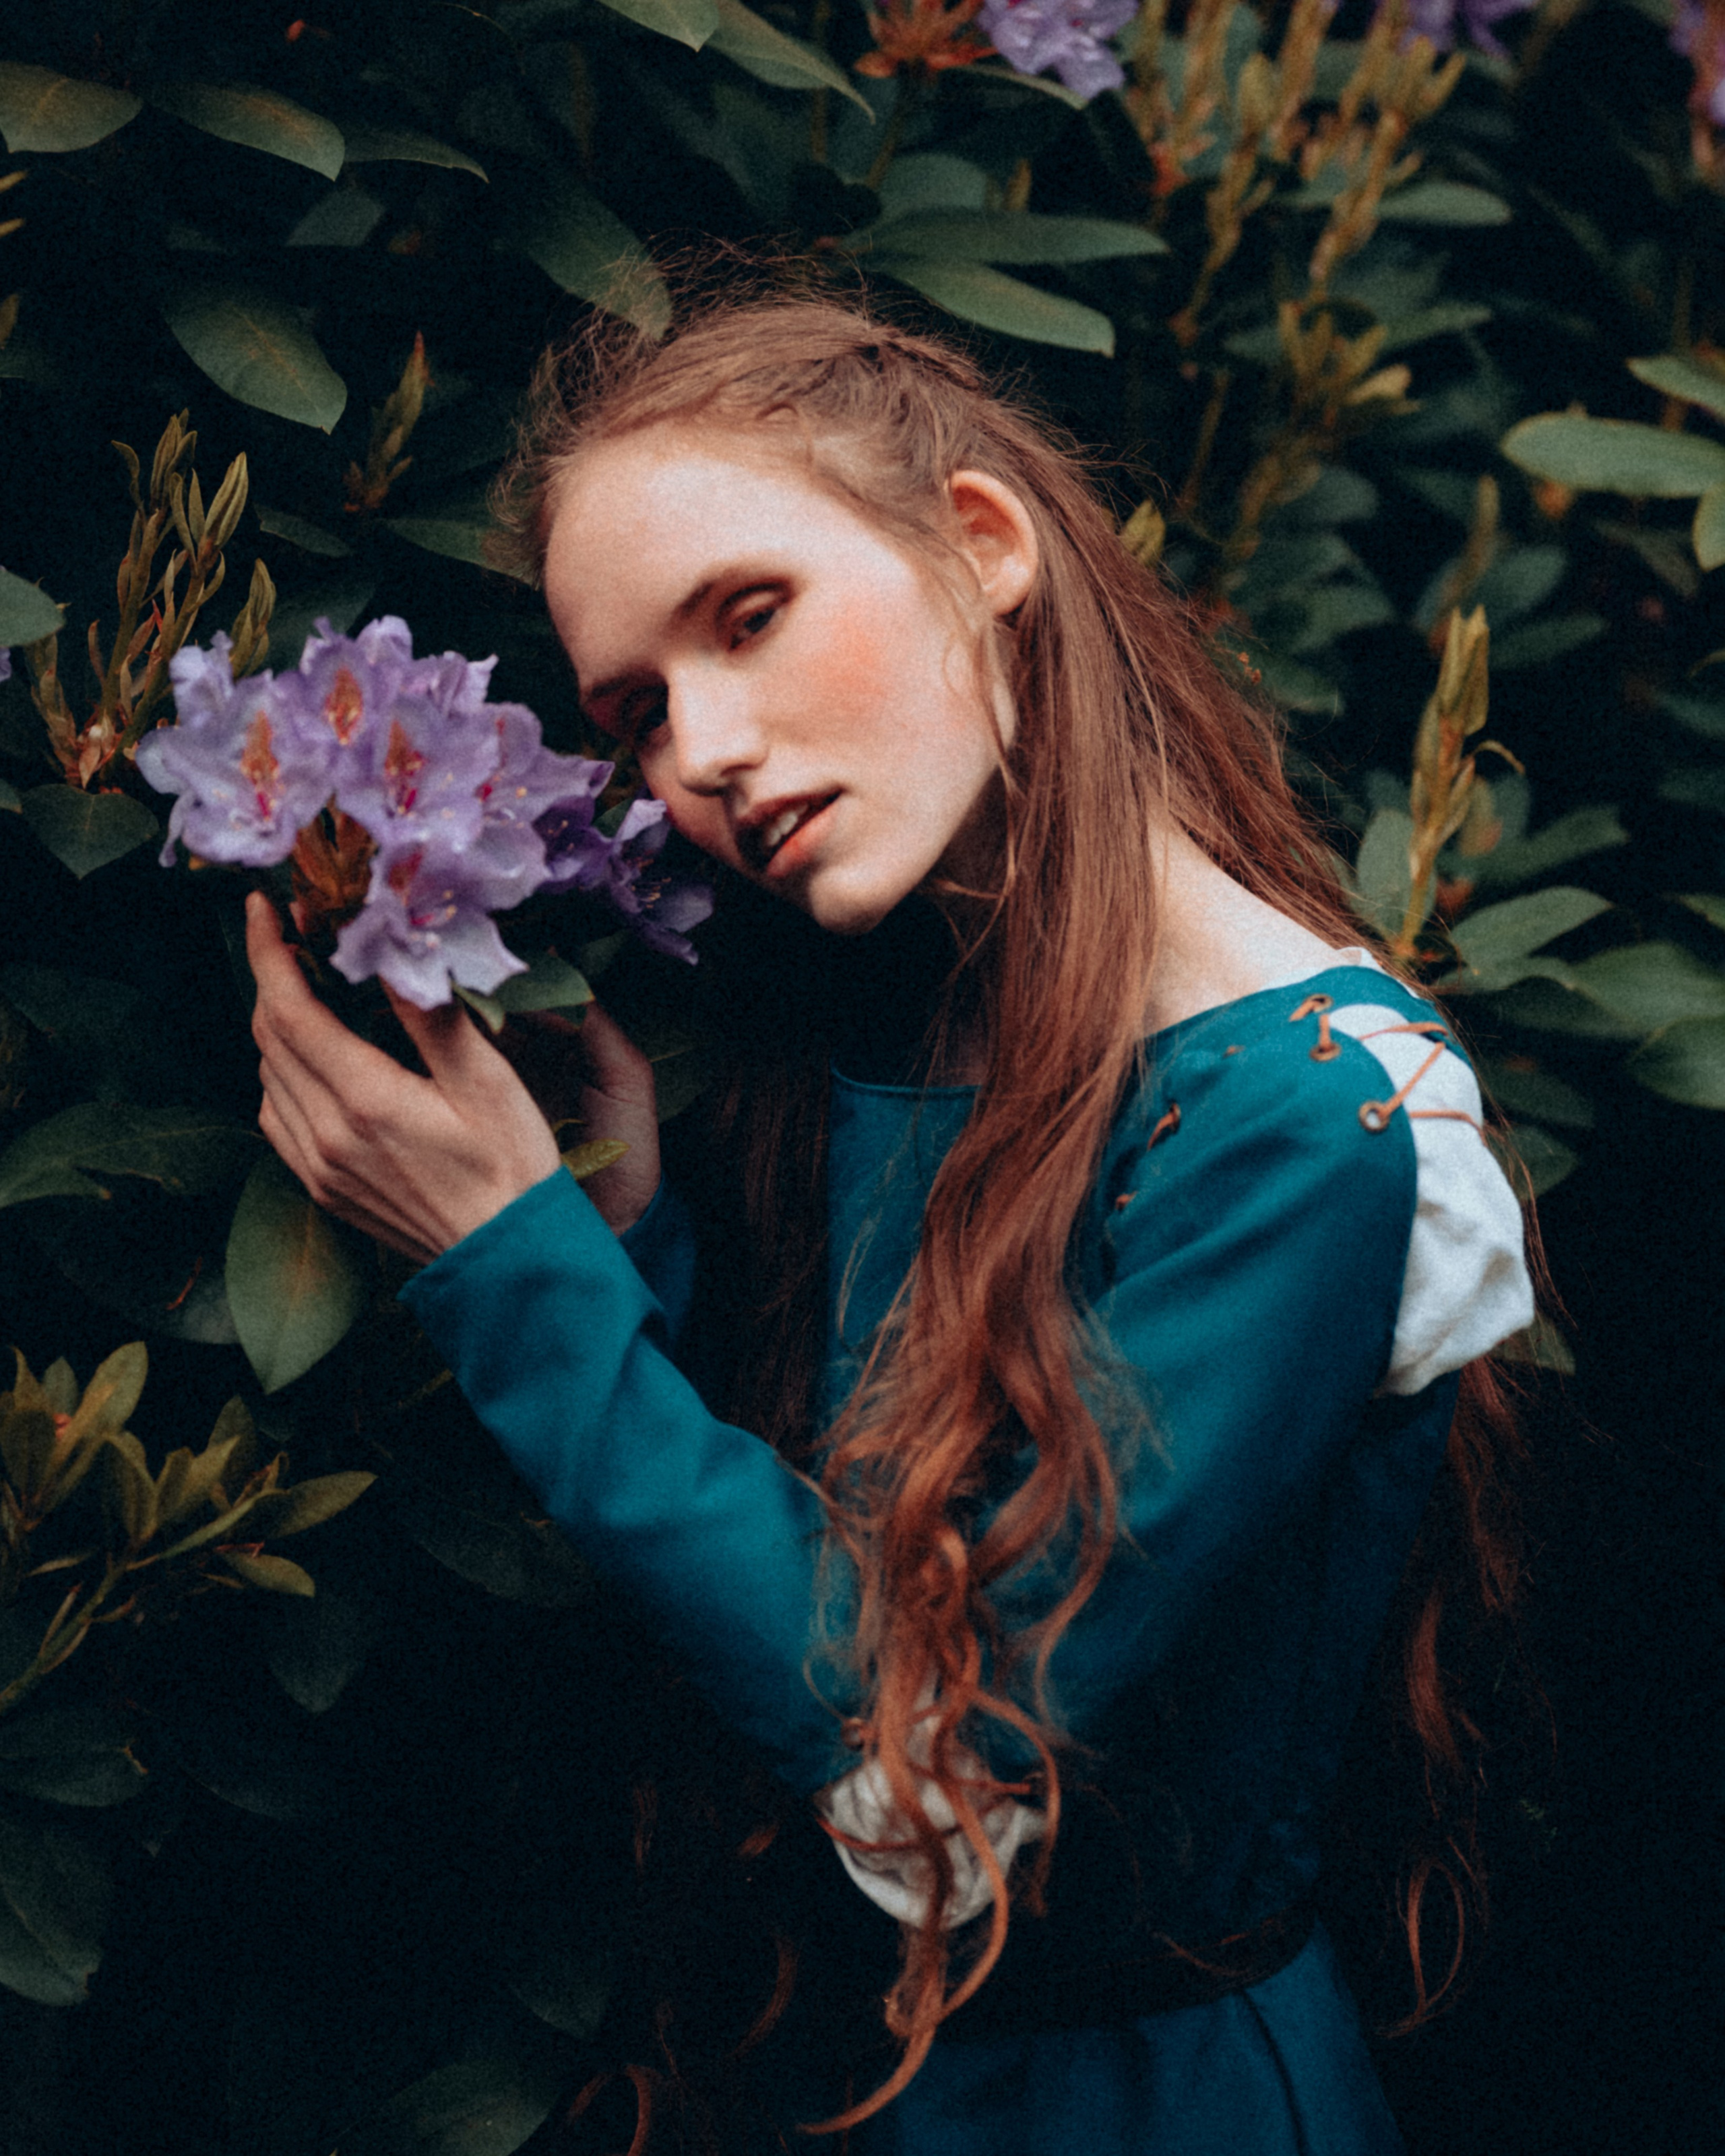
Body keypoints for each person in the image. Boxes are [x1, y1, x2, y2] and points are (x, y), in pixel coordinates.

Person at [243, 297, 1536, 2154]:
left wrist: (516, 1273)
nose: (704, 753)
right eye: (641, 713)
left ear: (984, 546)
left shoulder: (1320, 1126)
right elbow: (820, 1543)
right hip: (826, 2082)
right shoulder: (904, 1019)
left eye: (749, 616)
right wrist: (631, 1245)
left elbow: (936, 1761)